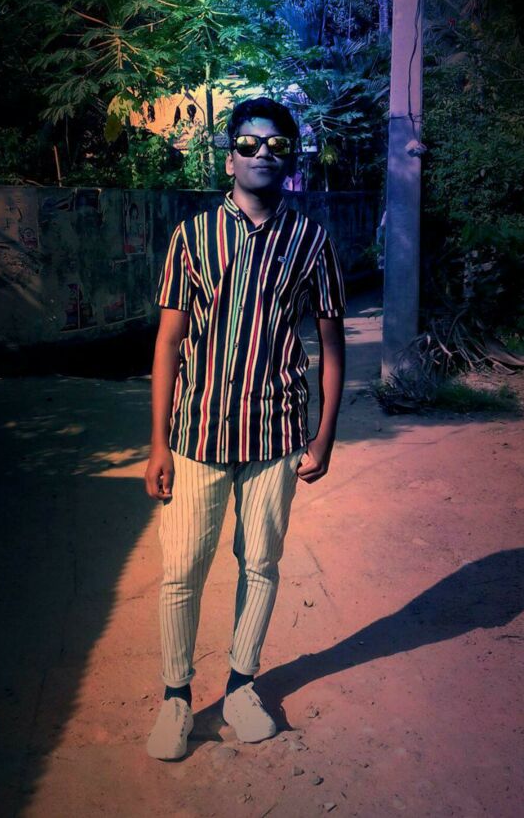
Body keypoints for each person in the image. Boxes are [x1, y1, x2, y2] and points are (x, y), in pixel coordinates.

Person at [144, 97, 346, 760]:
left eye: (276, 145)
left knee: (260, 563)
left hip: (274, 434)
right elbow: (168, 343)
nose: (263, 153)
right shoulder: (192, 237)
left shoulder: (312, 241)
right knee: (182, 570)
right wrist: (157, 444)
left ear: (291, 158)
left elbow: (332, 344)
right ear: (229, 157)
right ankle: (176, 697)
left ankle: (240, 686)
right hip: (196, 433)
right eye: (249, 143)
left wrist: (323, 435)